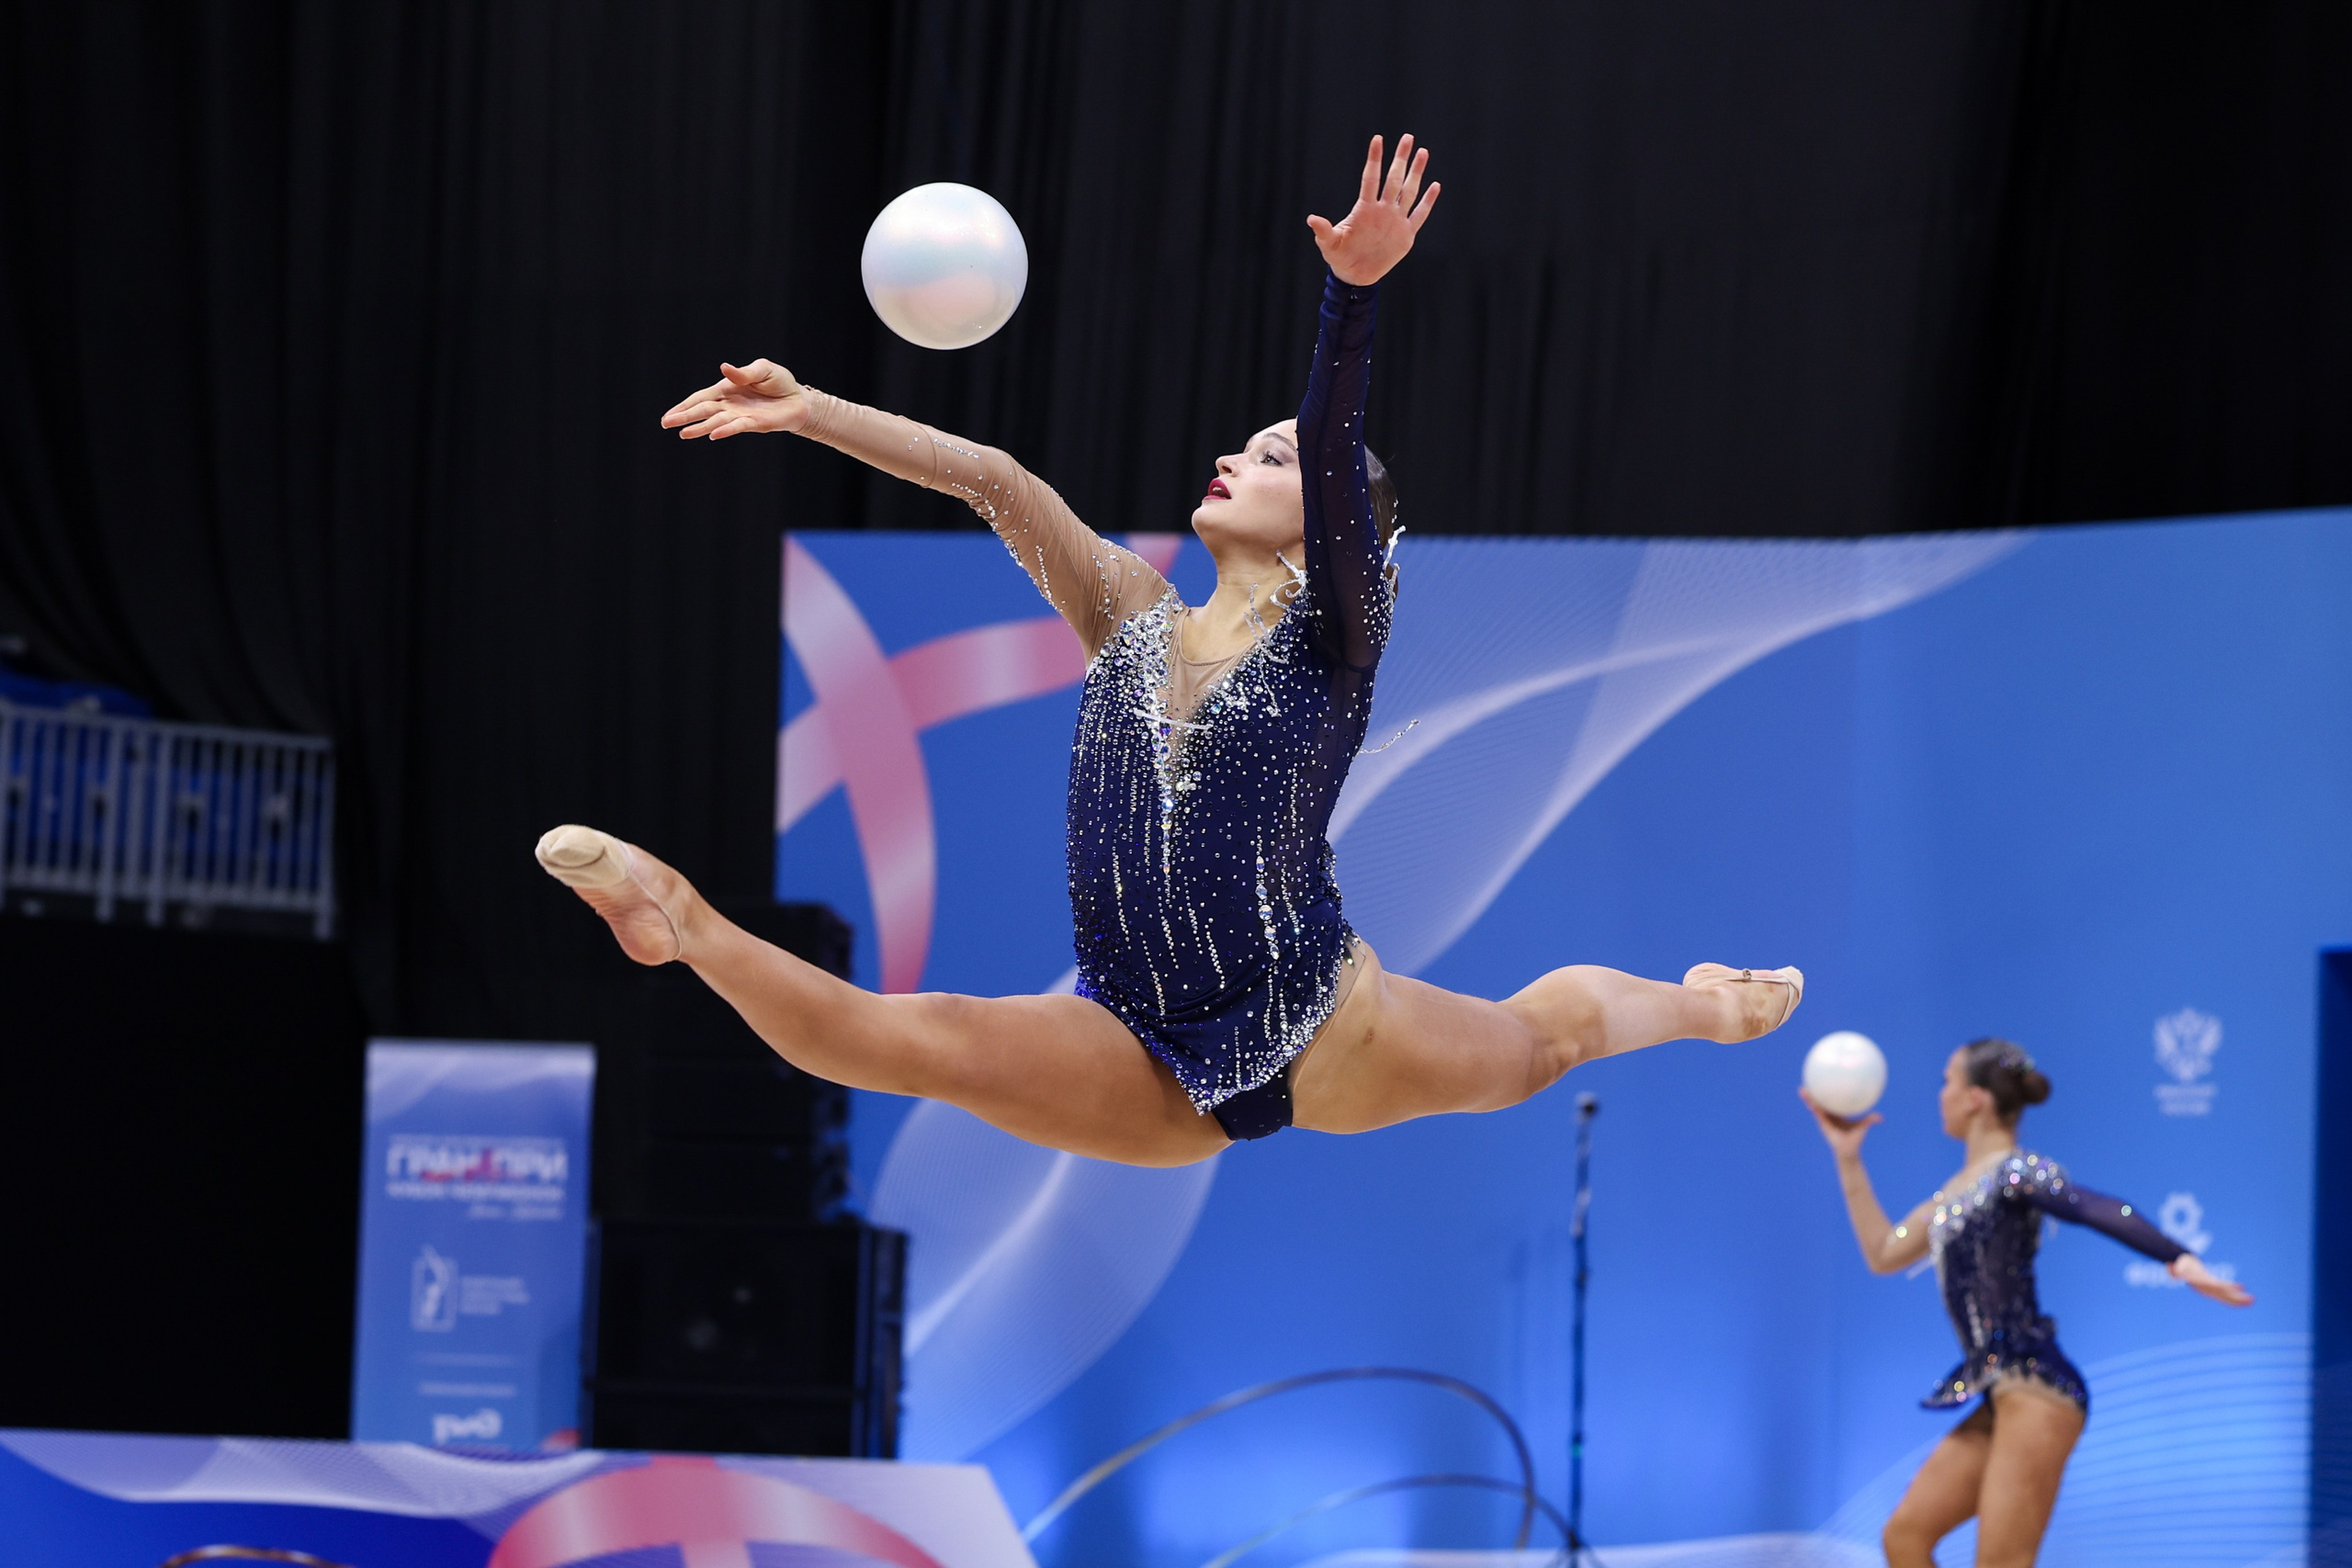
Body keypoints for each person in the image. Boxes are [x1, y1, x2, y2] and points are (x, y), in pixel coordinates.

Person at [537, 133, 1804, 1168]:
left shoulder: (1338, 630)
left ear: (1333, 521)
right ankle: (686, 925)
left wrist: (1352, 294)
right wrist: (814, 410)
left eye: (1270, 459)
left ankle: (1706, 1000)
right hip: (1134, 1036)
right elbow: (994, 480)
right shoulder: (1133, 615)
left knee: (1536, 1047)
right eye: (1242, 447)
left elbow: (1329, 435)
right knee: (917, 1038)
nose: (1237, 459)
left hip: (1319, 1026)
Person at [1804, 1037, 2254, 1567]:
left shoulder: (2018, 1173)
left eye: (1947, 1080)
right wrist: (1848, 1157)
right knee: (1905, 1535)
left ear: (1976, 1098)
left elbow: (2092, 1206)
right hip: (1996, 1391)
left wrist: (2178, 1258)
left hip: (2039, 1388)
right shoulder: (1952, 1195)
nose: (1941, 1093)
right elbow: (1883, 1253)